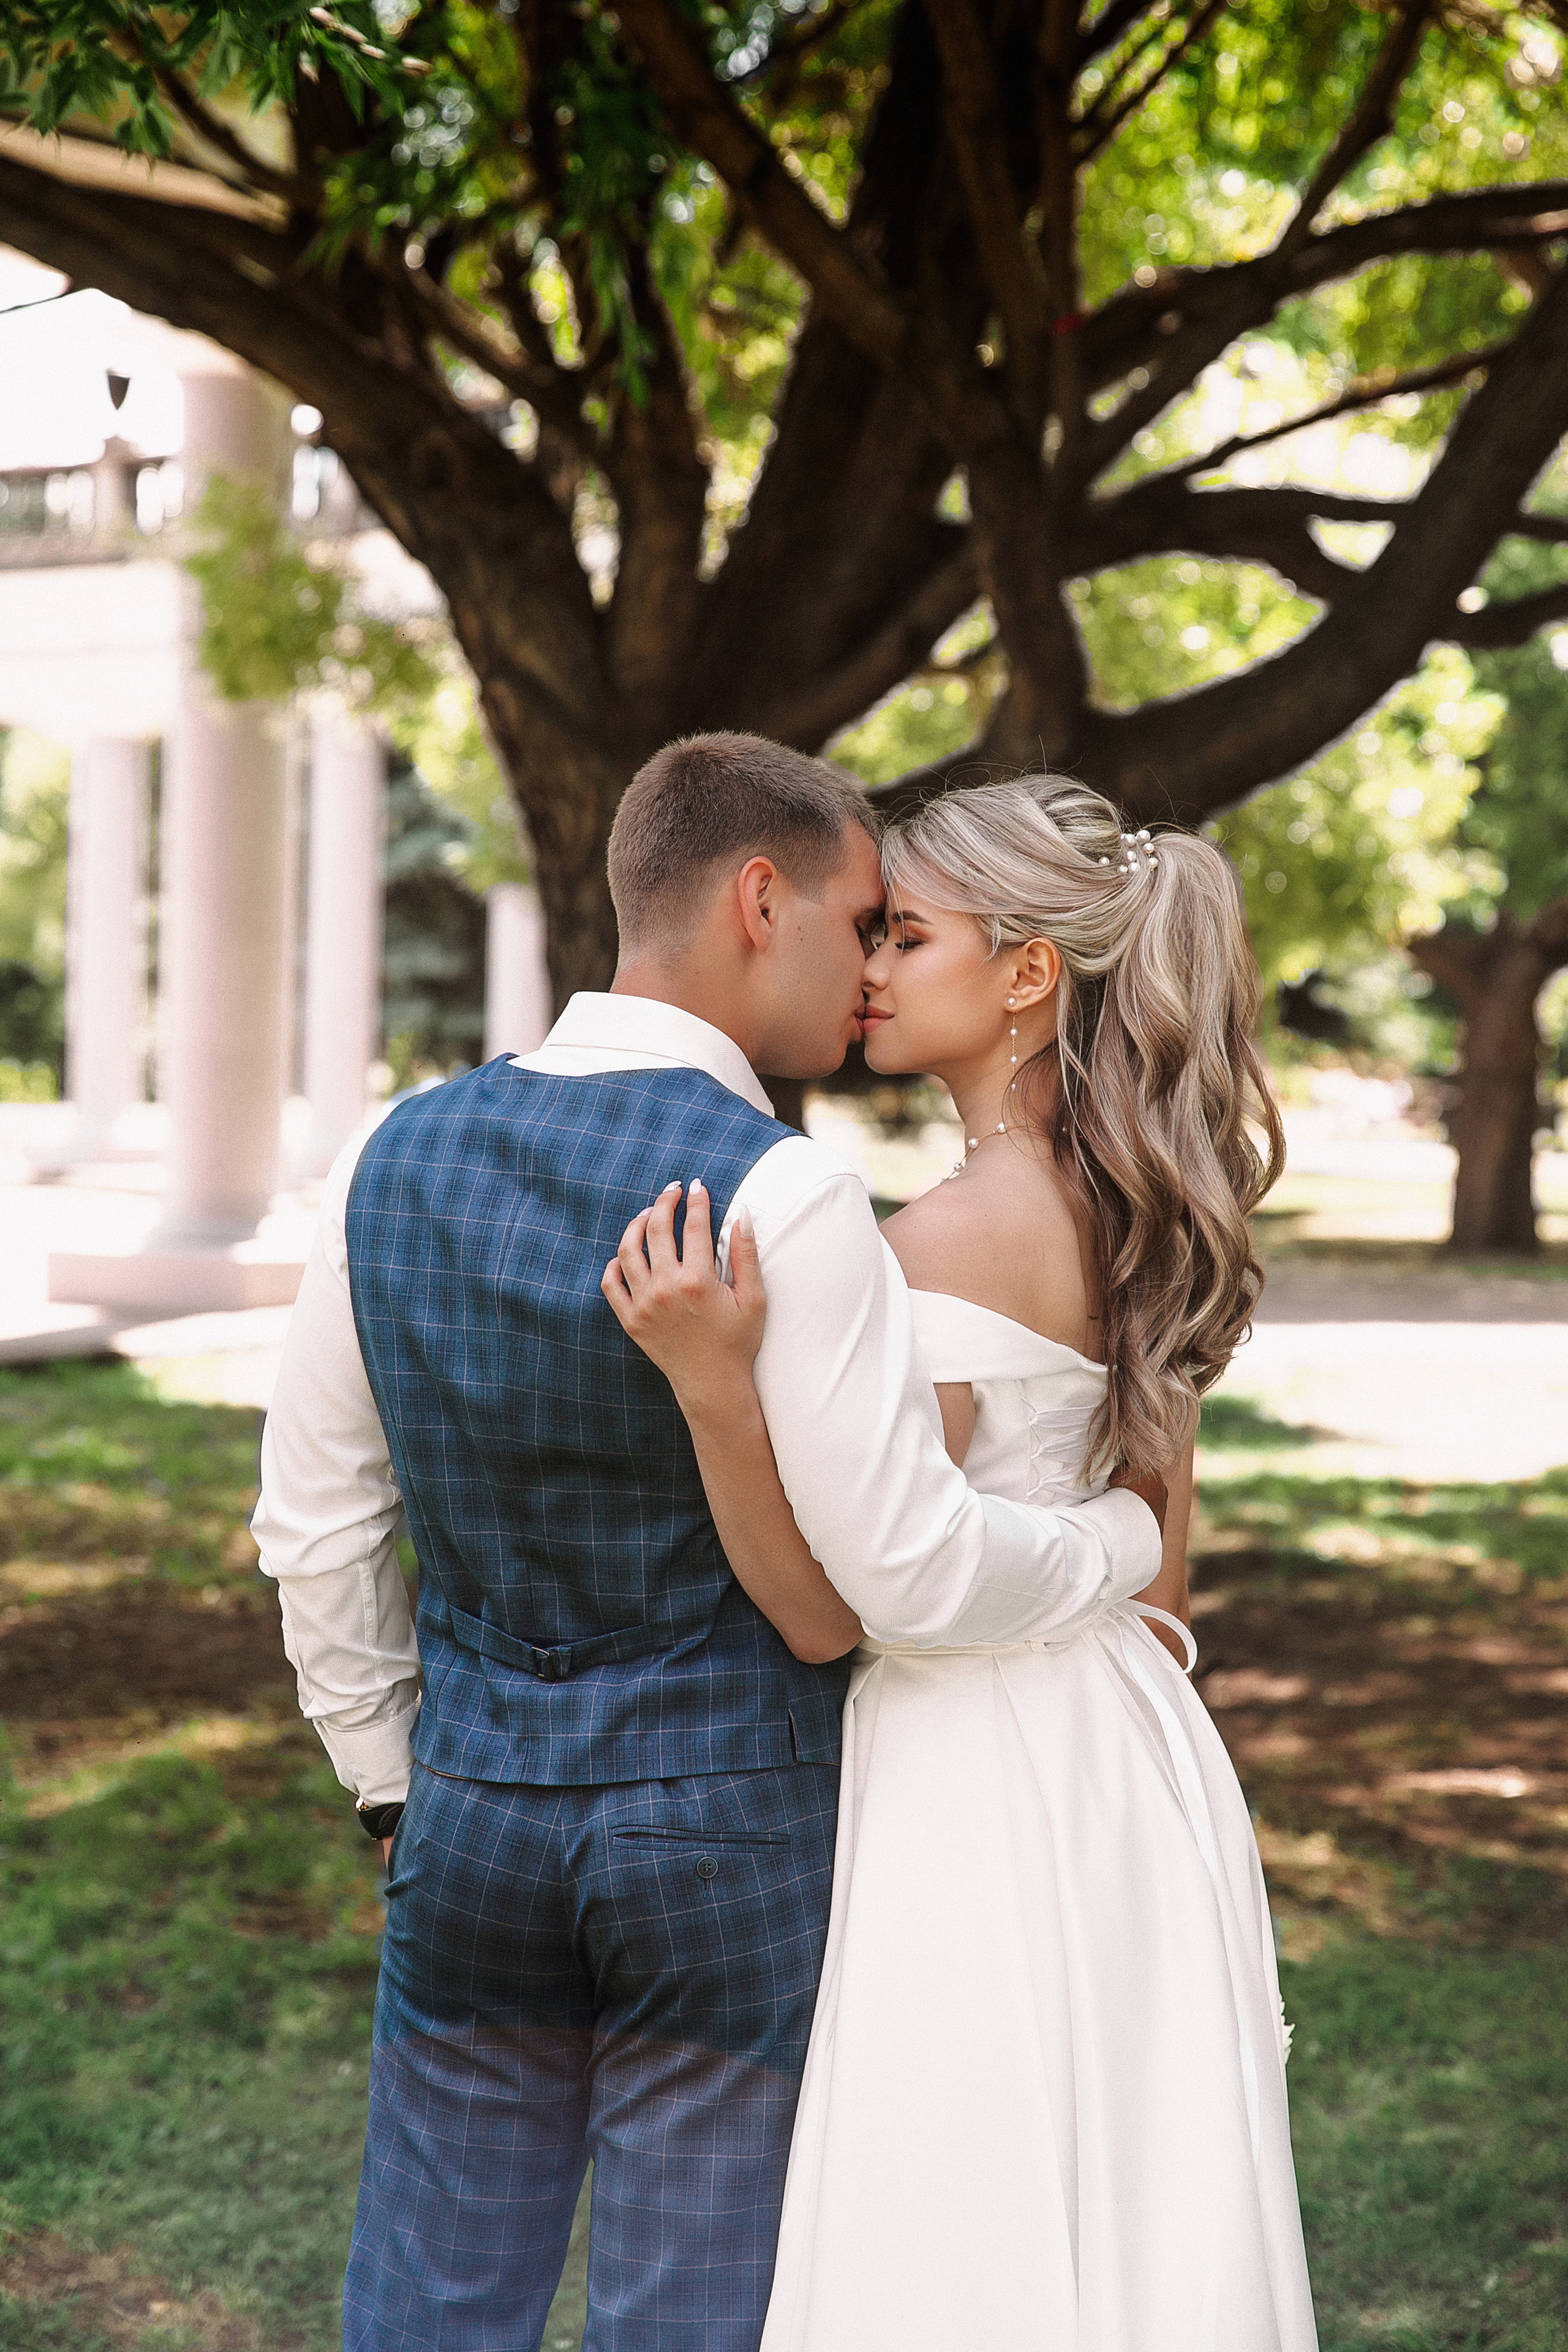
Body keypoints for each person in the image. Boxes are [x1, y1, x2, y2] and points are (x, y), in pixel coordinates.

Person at [251, 736, 1164, 2352]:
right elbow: (895, 1569)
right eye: (861, 918)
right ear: (763, 899)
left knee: (429, 2306)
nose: (868, 968)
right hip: (730, 1836)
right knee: (690, 2317)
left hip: (469, 1814)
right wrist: (1114, 1543)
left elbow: (320, 1523)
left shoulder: (384, 1159)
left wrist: (389, 1783)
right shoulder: (790, 1196)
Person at [603, 775, 1319, 2351]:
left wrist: (717, 1394)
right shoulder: (1136, 1207)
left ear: (1022, 973)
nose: (863, 965)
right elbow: (1159, 1578)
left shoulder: (934, 1240)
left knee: (961, 2205)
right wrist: (1107, 1545)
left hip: (969, 1772)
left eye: (902, 934)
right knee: (1126, 2185)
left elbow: (838, 1599)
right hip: (1133, 1758)